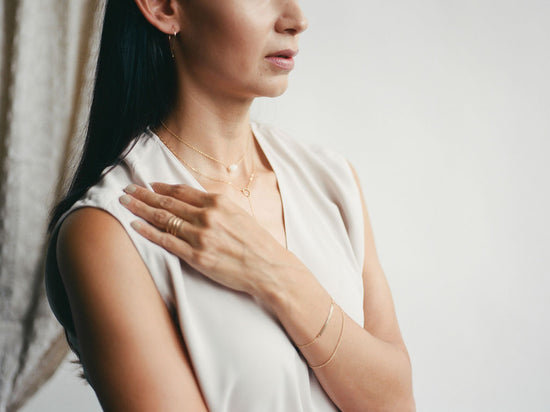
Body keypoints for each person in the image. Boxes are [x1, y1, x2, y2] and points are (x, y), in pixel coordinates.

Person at [45, 0, 415, 410]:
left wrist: (276, 274)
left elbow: (397, 402)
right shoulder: (110, 231)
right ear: (164, 8)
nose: (296, 20)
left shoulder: (332, 181)